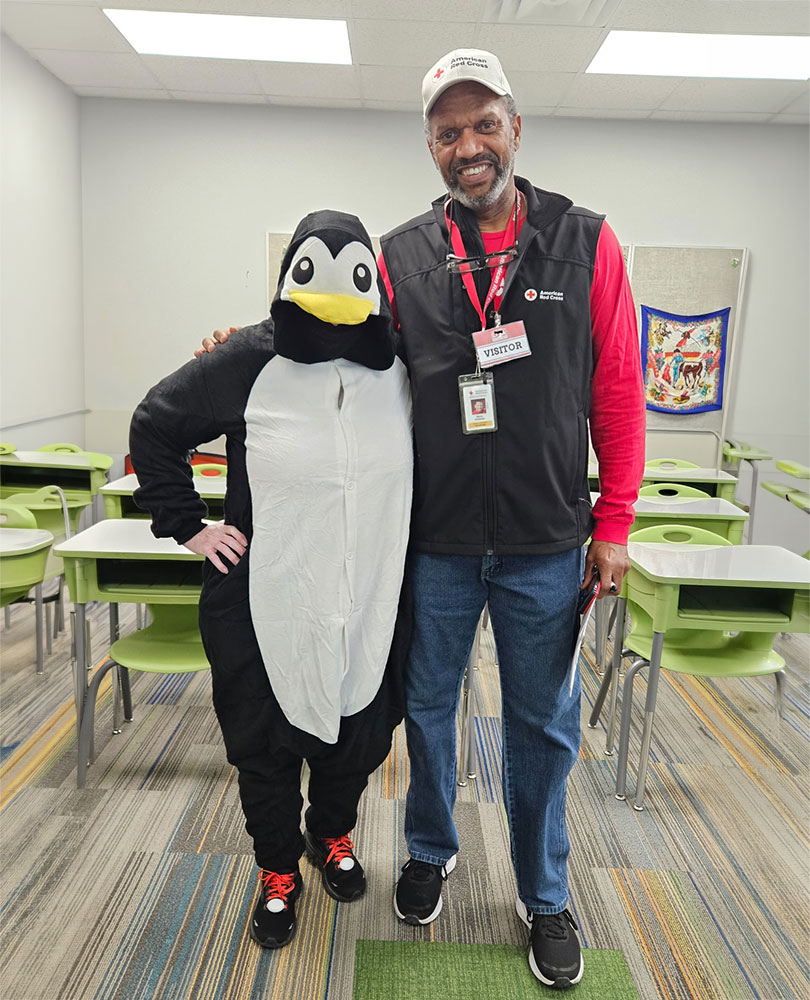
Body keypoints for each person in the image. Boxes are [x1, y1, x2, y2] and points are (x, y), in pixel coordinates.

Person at [198, 48, 645, 990]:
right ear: (432, 147)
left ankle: (546, 893)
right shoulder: (402, 256)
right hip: (433, 543)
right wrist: (239, 350)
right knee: (427, 714)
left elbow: (618, 393)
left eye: (485, 124)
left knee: (541, 726)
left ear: (517, 128)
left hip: (545, 541)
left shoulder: (587, 242)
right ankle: (432, 851)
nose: (468, 145)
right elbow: (338, 346)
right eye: (449, 132)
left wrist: (616, 523)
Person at [132, 211, 413, 951]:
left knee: (357, 736)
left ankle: (332, 835)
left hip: (373, 596)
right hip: (267, 597)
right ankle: (277, 868)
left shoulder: (402, 364)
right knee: (264, 743)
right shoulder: (251, 358)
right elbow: (156, 423)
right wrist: (188, 524)